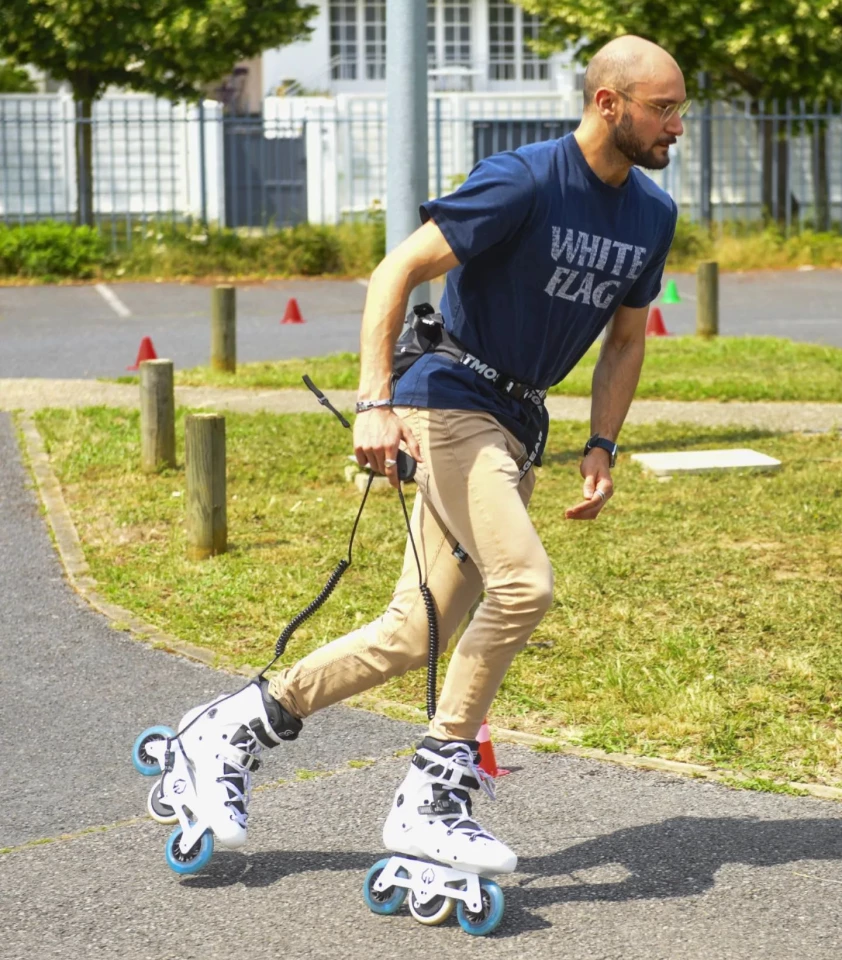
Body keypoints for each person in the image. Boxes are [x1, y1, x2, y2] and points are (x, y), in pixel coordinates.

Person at [169, 35, 686, 884]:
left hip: (517, 422)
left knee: (414, 632)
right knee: (525, 584)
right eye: (663, 108)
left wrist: (603, 441)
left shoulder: (652, 215)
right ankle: (434, 793)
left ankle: (233, 726)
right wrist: (374, 402)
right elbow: (397, 270)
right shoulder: (523, 179)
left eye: (678, 109)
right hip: (449, 401)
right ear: (609, 103)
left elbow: (627, 340)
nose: (676, 125)